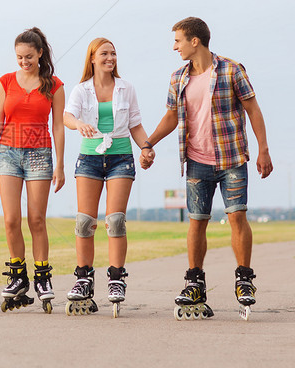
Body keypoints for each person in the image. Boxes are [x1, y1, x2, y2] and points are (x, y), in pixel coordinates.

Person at [142, 17, 273, 320]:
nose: (174, 47)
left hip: (231, 158)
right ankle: (194, 283)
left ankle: (243, 279)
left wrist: (263, 149)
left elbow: (253, 109)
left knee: (237, 216)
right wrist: (148, 143)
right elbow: (171, 117)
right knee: (196, 222)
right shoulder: (178, 77)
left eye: (178, 40)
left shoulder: (231, 69)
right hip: (197, 161)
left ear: (194, 41)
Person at [63, 37, 152, 316]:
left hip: (120, 158)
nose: (110, 58)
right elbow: (67, 116)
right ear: (92, 58)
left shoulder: (126, 88)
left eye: (113, 53)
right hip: (89, 158)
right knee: (85, 222)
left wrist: (146, 147)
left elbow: (135, 124)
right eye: (104, 53)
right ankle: (84, 279)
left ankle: (115, 278)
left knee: (115, 221)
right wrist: (79, 124)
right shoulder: (81, 89)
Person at [0, 27, 66, 313]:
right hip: (7, 154)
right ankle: (18, 277)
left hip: (40, 155)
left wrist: (61, 164)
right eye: (19, 57)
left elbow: (57, 126)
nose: (23, 62)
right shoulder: (6, 82)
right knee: (10, 220)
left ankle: (42, 278)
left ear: (40, 53)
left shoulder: (53, 85)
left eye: (28, 56)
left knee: (37, 219)